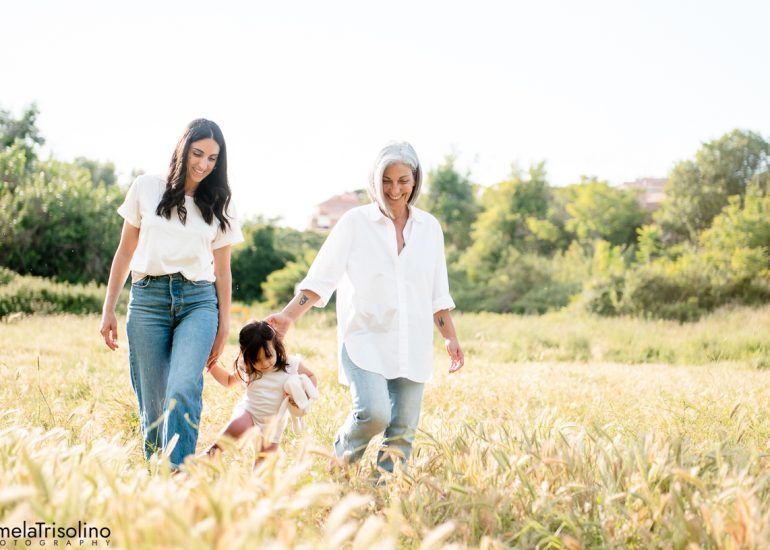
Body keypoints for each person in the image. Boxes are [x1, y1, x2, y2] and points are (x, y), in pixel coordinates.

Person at [267, 141, 465, 473]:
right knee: (374, 414)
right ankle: (338, 465)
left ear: (415, 181)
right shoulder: (355, 222)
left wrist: (450, 337)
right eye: (386, 180)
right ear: (375, 180)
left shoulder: (429, 228)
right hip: (364, 337)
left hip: (412, 342)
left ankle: (379, 497)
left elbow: (437, 290)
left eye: (403, 180)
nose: (394, 189)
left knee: (402, 430)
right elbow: (321, 278)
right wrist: (288, 316)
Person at [99, 118, 244, 469]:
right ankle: (157, 473)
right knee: (153, 399)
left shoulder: (221, 204)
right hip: (148, 300)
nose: (203, 164)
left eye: (212, 158)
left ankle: (178, 473)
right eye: (197, 153)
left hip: (198, 301)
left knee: (182, 388)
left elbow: (222, 272)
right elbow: (125, 251)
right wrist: (109, 308)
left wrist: (225, 325)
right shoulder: (146, 187)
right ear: (183, 148)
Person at [202, 320, 318, 459]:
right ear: (247, 357)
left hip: (273, 424)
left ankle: (256, 480)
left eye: (268, 356)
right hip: (250, 411)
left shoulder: (290, 364)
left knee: (263, 463)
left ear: (276, 347)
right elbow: (228, 381)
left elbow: (311, 376)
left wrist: (302, 396)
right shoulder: (249, 369)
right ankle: (211, 453)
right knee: (238, 425)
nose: (264, 363)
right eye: (257, 359)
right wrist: (211, 365)